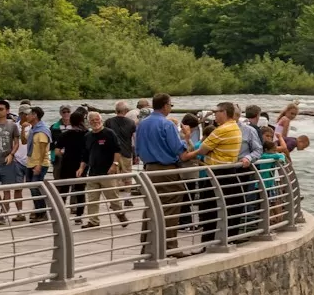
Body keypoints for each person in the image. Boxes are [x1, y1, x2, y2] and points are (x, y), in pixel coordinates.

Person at [136, 93, 190, 255]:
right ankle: (169, 246)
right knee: (170, 207)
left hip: (148, 169)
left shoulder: (142, 124)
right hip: (166, 169)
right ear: (165, 106)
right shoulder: (167, 125)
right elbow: (177, 149)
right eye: (170, 105)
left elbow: (137, 149)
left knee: (151, 206)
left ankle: (147, 245)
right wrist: (185, 138)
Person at [191, 101, 245, 242]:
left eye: (216, 112)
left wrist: (191, 155)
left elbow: (203, 149)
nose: (214, 115)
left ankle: (209, 243)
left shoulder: (221, 130)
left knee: (210, 210)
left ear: (224, 113)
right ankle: (227, 239)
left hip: (217, 174)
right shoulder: (235, 128)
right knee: (230, 208)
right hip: (230, 172)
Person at [82, 110, 127, 227]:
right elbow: (85, 154)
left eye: (97, 119)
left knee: (113, 197)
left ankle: (120, 214)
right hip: (92, 172)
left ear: (101, 120)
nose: (95, 122)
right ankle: (93, 221)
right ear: (88, 122)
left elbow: (117, 150)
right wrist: (81, 168)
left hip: (107, 171)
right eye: (92, 120)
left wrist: (114, 165)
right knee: (92, 199)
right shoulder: (87, 136)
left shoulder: (109, 133)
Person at [53, 109, 91, 219]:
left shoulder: (65, 135)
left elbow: (57, 151)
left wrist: (63, 153)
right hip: (82, 164)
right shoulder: (87, 134)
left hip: (67, 163)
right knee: (80, 190)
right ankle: (79, 215)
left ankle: (61, 214)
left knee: (64, 189)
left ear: (71, 121)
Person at [23, 107, 51, 221]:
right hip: (30, 162)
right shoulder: (32, 129)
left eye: (29, 114)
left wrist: (39, 165)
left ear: (34, 115)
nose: (27, 117)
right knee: (32, 188)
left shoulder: (42, 130)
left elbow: (44, 150)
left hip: (39, 163)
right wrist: (22, 129)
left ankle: (42, 212)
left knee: (36, 188)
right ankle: (38, 211)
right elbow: (24, 141)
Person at [104, 100, 137, 176]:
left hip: (112, 155)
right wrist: (135, 154)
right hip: (127, 153)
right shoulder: (131, 122)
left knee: (114, 178)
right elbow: (134, 140)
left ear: (116, 110)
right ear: (126, 110)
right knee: (127, 178)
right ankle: (127, 188)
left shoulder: (108, 122)